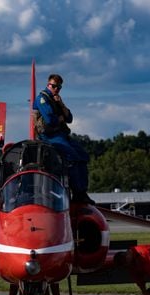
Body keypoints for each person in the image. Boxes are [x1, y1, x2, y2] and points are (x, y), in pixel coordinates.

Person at [33, 74, 94, 205]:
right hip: (49, 136)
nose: (56, 89)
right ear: (48, 85)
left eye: (58, 87)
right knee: (72, 157)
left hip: (61, 134)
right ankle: (76, 191)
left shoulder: (56, 100)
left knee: (83, 156)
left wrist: (60, 103)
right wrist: (61, 118)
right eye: (53, 86)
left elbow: (70, 118)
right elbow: (50, 120)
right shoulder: (42, 99)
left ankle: (82, 192)